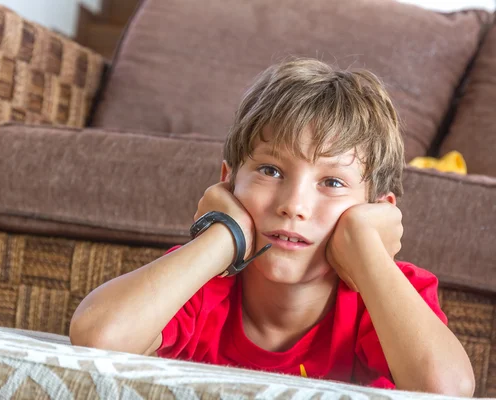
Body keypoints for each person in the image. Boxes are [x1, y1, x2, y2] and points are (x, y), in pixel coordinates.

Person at [69, 59, 474, 395]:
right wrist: (223, 233)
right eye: (270, 170)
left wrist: (368, 251)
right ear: (228, 182)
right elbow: (98, 338)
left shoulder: (387, 294)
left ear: (377, 211)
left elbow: (446, 390)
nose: (293, 206)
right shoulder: (202, 281)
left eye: (332, 182)